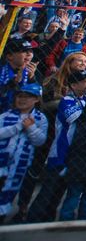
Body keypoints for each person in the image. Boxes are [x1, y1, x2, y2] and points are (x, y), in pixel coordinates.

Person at [26, 70, 86, 222]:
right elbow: (78, 119)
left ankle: (48, 219)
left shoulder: (85, 101)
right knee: (49, 191)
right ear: (73, 85)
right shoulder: (67, 101)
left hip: (77, 153)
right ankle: (32, 220)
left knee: (59, 193)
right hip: (61, 152)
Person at [0, 83, 48, 221]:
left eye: (28, 97)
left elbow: (40, 140)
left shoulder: (40, 118)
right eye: (20, 96)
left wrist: (31, 128)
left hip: (19, 165)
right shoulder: (6, 115)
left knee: (8, 193)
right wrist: (18, 126)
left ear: (36, 100)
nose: (22, 100)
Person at [0, 39, 38, 113]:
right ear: (10, 56)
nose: (29, 54)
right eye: (24, 51)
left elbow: (37, 100)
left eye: (31, 51)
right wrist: (13, 83)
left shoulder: (30, 73)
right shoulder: (2, 70)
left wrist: (32, 79)